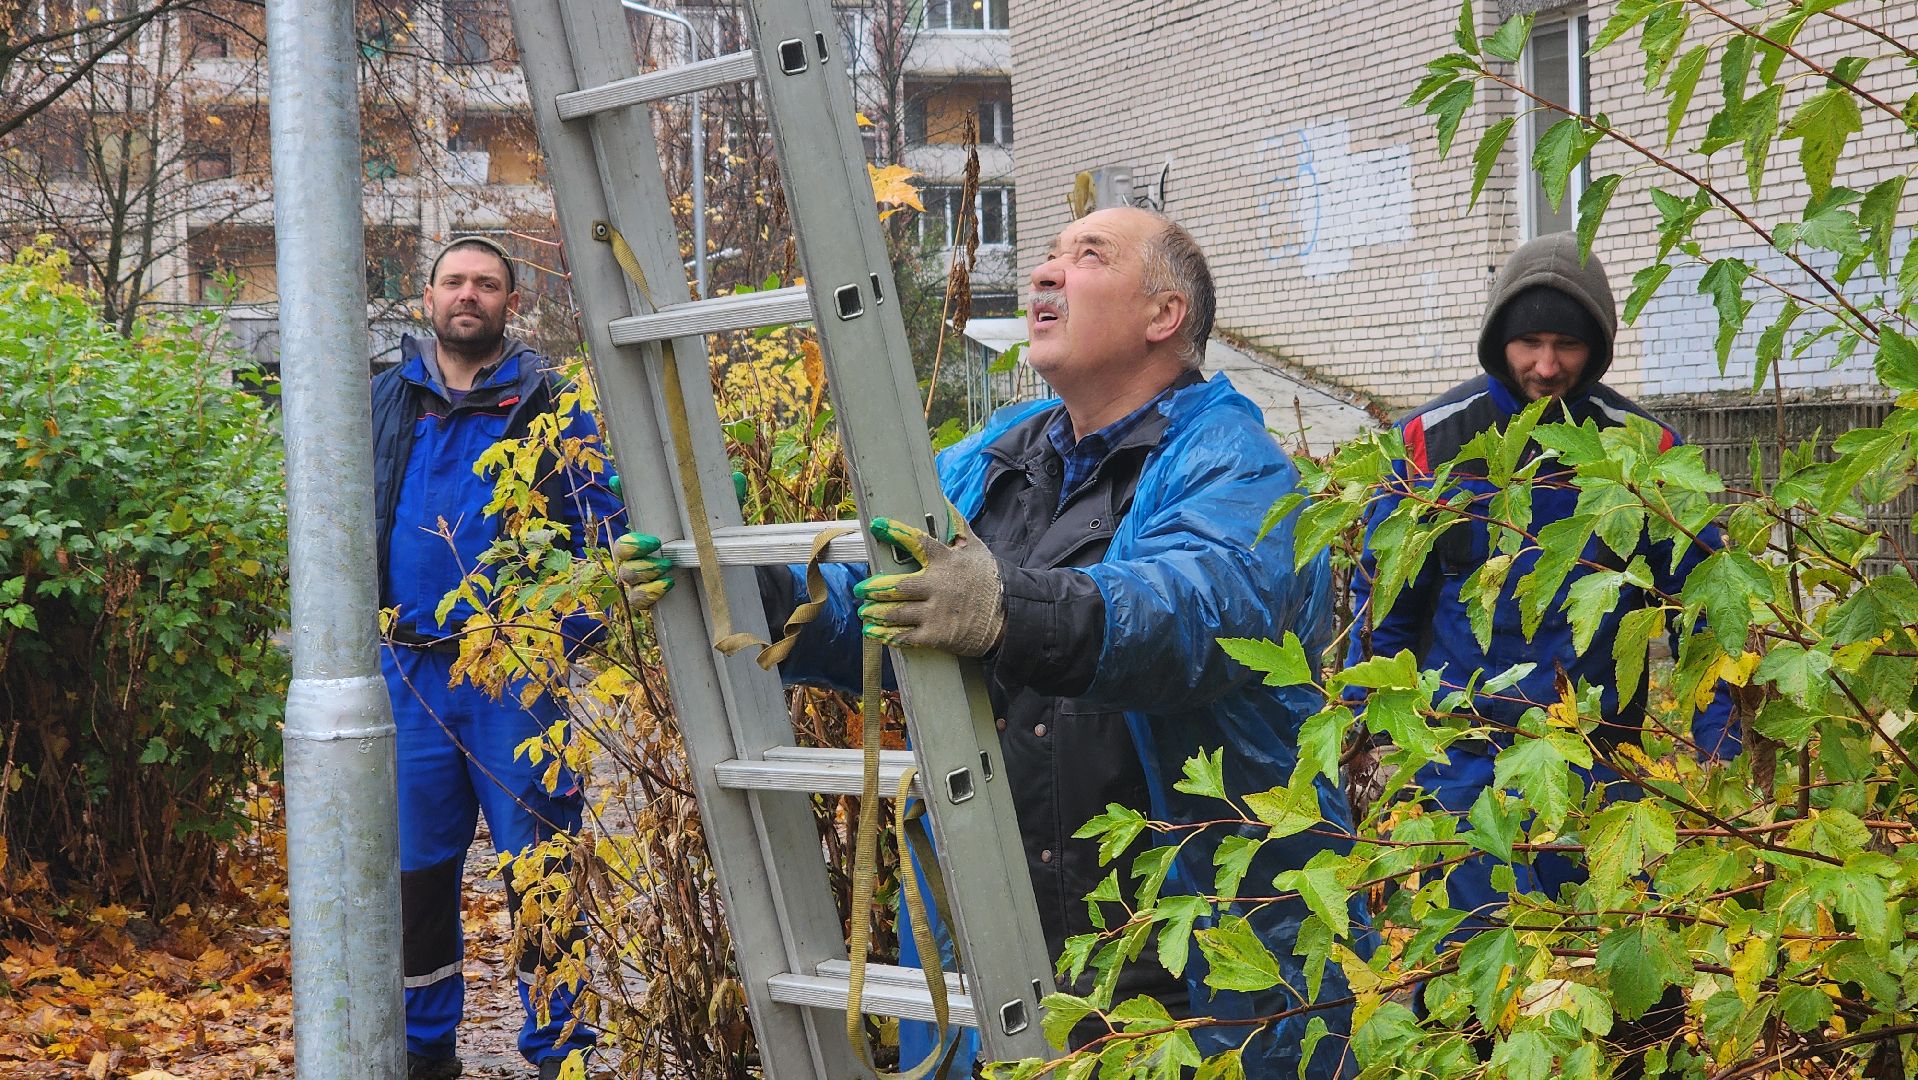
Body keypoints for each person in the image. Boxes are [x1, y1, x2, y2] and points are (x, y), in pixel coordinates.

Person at [749, 207, 1363, 1076]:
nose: (1046, 273)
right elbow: (884, 597)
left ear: (1164, 316)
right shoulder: (988, 460)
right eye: (1047, 256)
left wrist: (1007, 609)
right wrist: (758, 590)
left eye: (1087, 256)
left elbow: (1189, 611)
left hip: (1188, 967)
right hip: (1000, 946)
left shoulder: (1236, 463)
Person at [1343, 233, 1738, 1052]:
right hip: (1463, 776)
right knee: (1473, 993)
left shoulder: (1643, 453)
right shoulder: (1430, 447)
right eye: (1530, 341)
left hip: (1605, 774)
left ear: (1596, 347)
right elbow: (1384, 618)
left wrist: (1726, 758)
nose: (1548, 365)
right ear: (1498, 340)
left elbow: (1708, 614)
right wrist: (1373, 742)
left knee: (1620, 997)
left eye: (1568, 344)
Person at [372, 236, 624, 1080]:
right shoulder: (384, 401)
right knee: (414, 873)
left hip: (516, 673)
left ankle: (562, 1052)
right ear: (428, 298)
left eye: (486, 283)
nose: (468, 295)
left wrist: (572, 632)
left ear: (510, 304)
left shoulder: (549, 402)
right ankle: (422, 1049)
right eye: (454, 282)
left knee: (542, 865)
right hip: (407, 672)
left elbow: (604, 526)